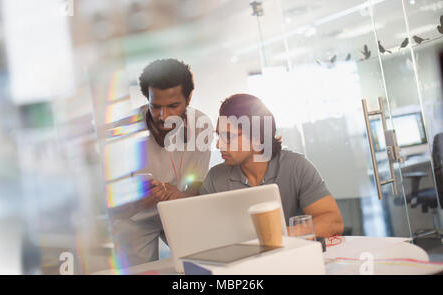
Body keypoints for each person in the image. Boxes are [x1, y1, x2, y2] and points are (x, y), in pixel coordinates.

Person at [108, 59, 212, 266]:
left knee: (200, 264)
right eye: (155, 107)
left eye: (173, 106)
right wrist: (139, 202)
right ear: (146, 99)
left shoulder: (201, 126)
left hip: (176, 209)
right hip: (134, 218)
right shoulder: (121, 132)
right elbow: (110, 208)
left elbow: (196, 185)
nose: (164, 116)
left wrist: (180, 194)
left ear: (189, 98)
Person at [199, 93, 343, 238]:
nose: (219, 144)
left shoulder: (296, 167)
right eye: (219, 136)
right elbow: (201, 230)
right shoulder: (214, 178)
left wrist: (278, 236)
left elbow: (333, 222)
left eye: (228, 137)